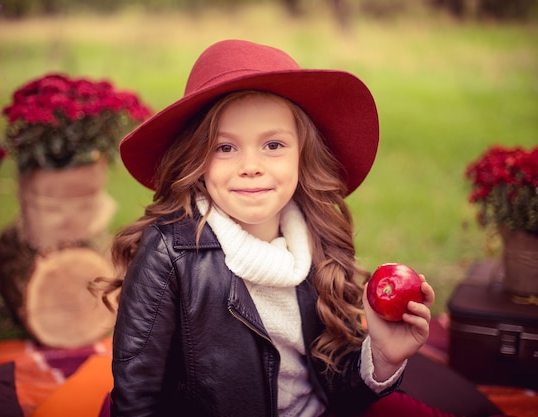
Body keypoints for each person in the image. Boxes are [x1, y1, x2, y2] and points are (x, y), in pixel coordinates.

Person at [91, 39, 470, 417]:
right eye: (225, 147)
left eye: (273, 145)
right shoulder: (168, 252)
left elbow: (333, 386)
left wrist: (381, 357)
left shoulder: (314, 237)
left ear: (303, 156)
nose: (251, 165)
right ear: (196, 159)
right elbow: (136, 396)